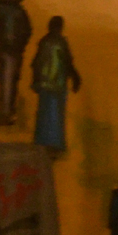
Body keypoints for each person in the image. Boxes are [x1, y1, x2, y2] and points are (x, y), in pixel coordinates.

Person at [30, 14, 80, 153]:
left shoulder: (44, 42)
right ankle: (55, 144)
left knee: (44, 114)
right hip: (58, 85)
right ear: (60, 27)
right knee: (56, 115)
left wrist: (35, 81)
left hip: (44, 85)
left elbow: (36, 63)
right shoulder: (61, 43)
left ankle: (42, 142)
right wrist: (75, 78)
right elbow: (68, 62)